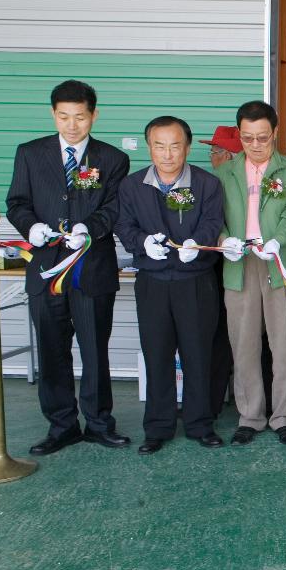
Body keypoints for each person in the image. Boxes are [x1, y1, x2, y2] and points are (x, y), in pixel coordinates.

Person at [5, 80, 132, 455]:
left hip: (91, 268)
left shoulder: (112, 159)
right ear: (53, 114)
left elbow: (113, 208)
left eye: (80, 117)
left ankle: (98, 423)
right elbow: (16, 202)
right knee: (51, 349)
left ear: (94, 115)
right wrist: (32, 227)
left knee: (95, 349)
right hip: (45, 268)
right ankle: (61, 425)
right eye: (64, 116)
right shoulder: (30, 153)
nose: (72, 125)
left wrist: (87, 229)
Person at [116, 116, 226, 454]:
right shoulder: (132, 186)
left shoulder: (207, 184)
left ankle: (199, 424)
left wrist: (199, 243)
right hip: (153, 282)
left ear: (187, 147)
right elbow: (123, 224)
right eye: (159, 146)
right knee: (157, 354)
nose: (167, 154)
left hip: (195, 282)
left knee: (198, 354)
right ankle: (158, 427)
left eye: (174, 145)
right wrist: (140, 243)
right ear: (149, 147)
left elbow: (213, 221)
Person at [214, 101, 286, 447]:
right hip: (239, 266)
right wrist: (224, 240)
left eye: (263, 138)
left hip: (280, 264)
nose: (255, 145)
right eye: (248, 138)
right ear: (239, 134)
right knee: (244, 343)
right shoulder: (225, 173)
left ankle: (284, 416)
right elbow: (214, 220)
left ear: (275, 133)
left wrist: (277, 242)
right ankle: (250, 416)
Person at [198, 125, 239, 420]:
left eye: (214, 151)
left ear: (229, 155)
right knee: (216, 339)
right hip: (213, 271)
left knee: (223, 338)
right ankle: (212, 402)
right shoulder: (210, 182)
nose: (211, 156)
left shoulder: (225, 183)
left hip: (232, 273)